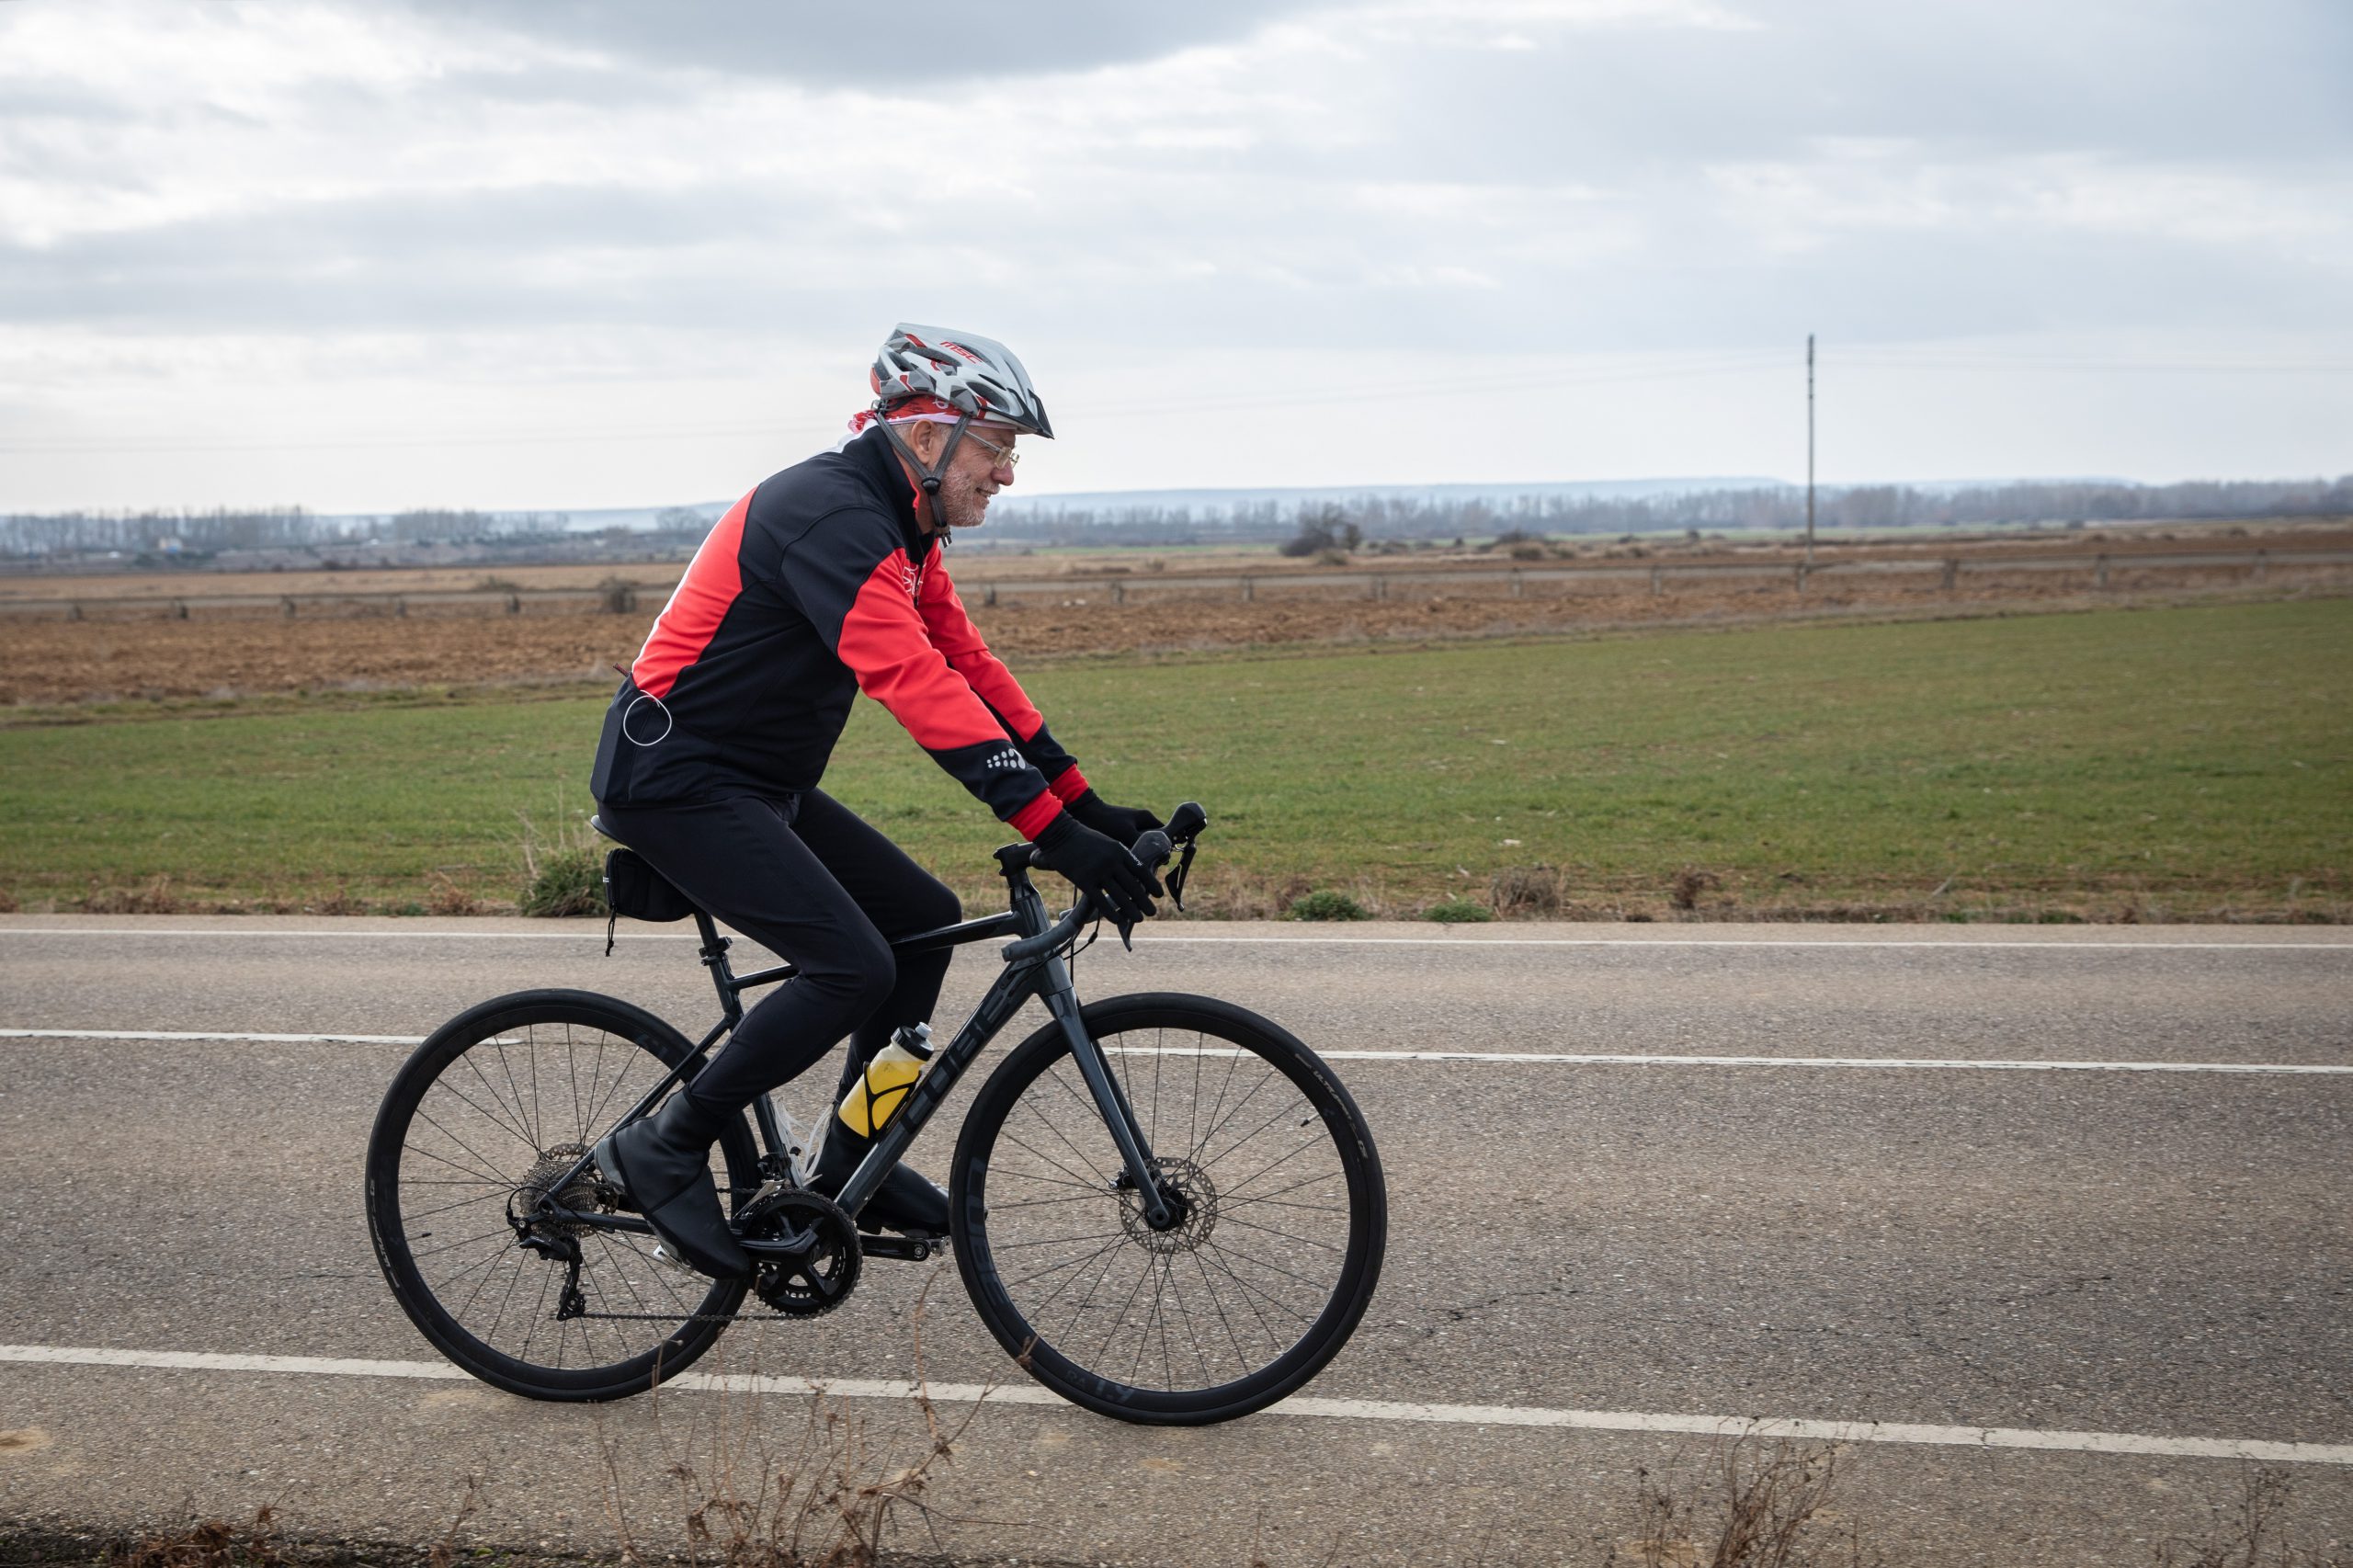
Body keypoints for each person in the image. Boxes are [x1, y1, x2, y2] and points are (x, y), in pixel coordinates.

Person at [587, 324, 1165, 1279]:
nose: (1007, 475)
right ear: (929, 435)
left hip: (755, 781)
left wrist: (1082, 801)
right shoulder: (829, 513)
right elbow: (910, 682)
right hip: (676, 778)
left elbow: (965, 664)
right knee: (850, 964)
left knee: (921, 924)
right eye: (997, 448)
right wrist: (1050, 833)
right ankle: (665, 1142)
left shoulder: (902, 525)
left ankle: (854, 1155)